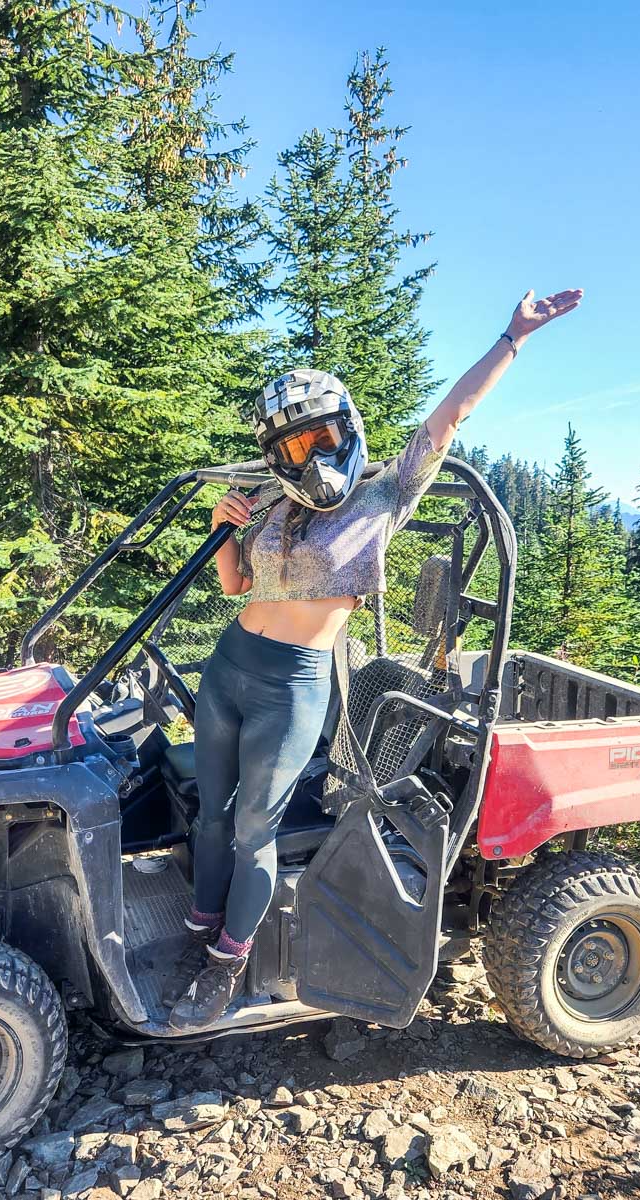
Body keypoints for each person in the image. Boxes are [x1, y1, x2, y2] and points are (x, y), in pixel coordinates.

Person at [167, 287, 584, 1031]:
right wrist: (222, 526)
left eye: (322, 438)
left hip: (291, 685)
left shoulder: (383, 494)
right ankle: (200, 926)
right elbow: (233, 585)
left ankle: (226, 963)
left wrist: (513, 336)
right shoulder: (274, 504)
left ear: (347, 431)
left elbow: (449, 417)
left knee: (254, 830)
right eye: (295, 449)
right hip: (230, 666)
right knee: (212, 812)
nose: (311, 457)